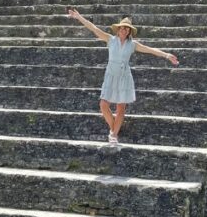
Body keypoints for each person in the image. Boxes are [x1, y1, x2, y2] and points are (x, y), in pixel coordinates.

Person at [67, 9, 179, 146]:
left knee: (121, 108)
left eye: (127, 29)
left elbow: (150, 50)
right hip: (110, 75)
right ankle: (113, 127)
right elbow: (93, 28)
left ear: (129, 32)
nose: (125, 30)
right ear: (118, 29)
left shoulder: (132, 45)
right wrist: (79, 17)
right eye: (123, 28)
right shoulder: (110, 39)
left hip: (124, 77)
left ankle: (114, 134)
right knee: (103, 104)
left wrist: (167, 55)